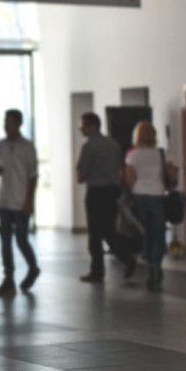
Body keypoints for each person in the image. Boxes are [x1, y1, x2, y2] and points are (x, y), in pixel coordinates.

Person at [76, 112, 137, 283]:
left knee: (95, 233)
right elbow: (120, 170)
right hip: (112, 192)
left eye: (83, 125)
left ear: (92, 126)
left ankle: (97, 271)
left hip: (95, 193)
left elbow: (81, 175)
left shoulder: (88, 147)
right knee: (108, 230)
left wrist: (83, 174)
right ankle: (126, 256)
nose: (81, 128)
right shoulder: (114, 144)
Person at [124, 121, 178, 290]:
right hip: (157, 196)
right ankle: (156, 265)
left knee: (146, 232)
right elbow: (171, 174)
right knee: (159, 232)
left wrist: (135, 188)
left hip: (140, 196)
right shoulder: (162, 154)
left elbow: (130, 179)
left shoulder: (132, 155)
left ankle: (150, 265)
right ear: (154, 135)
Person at [0, 109, 40, 295]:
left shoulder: (27, 147)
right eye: (5, 122)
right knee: (5, 241)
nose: (6, 126)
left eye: (10, 122)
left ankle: (32, 266)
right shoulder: (0, 145)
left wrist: (29, 201)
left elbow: (33, 176)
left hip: (21, 200)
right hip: (4, 200)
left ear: (18, 124)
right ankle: (8, 278)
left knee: (21, 239)